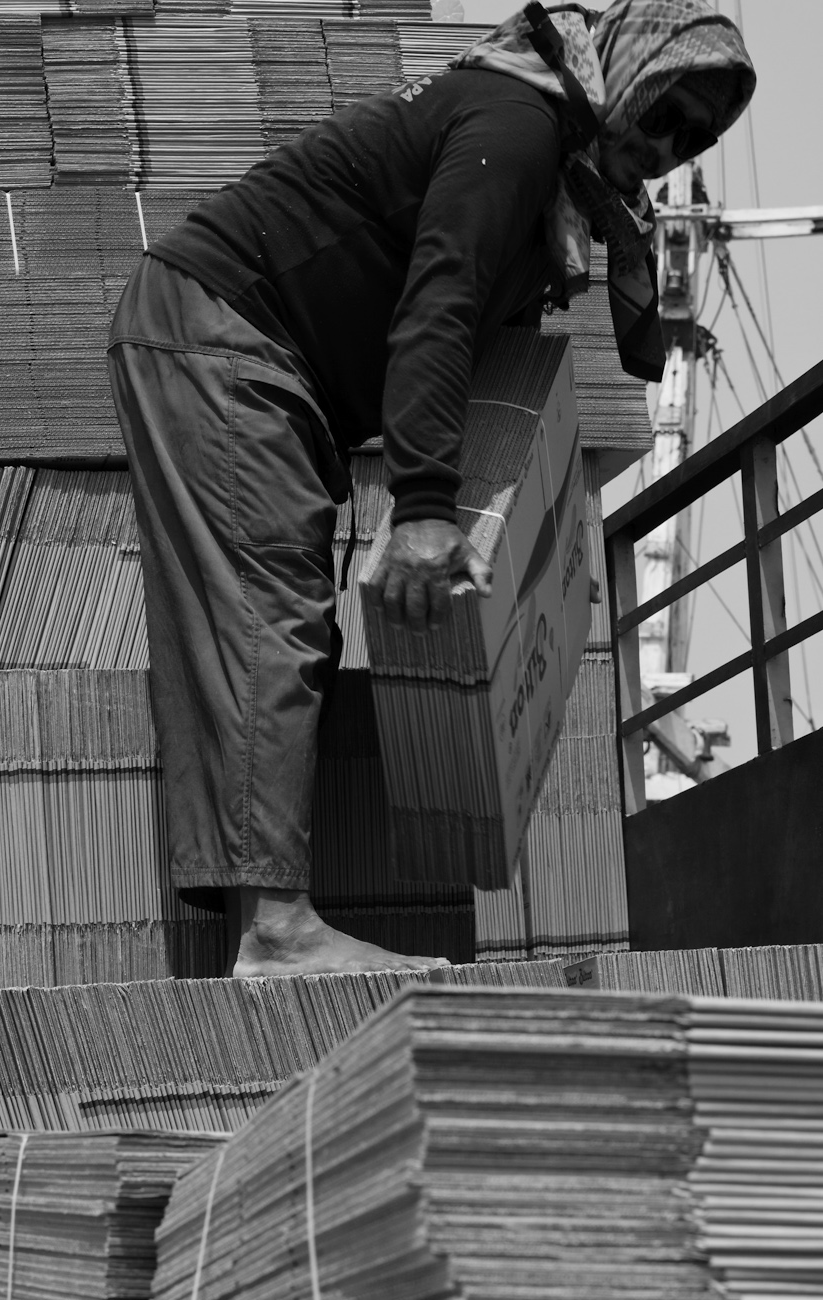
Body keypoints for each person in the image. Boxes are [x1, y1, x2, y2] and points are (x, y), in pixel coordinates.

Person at [107, 0, 755, 978]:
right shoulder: (518, 126)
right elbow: (439, 304)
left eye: (695, 139)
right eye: (664, 113)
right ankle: (274, 933)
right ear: (626, 67)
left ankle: (256, 911)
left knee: (292, 625)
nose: (668, 149)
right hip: (226, 332)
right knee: (270, 611)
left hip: (267, 359)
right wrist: (418, 511)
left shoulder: (557, 165)